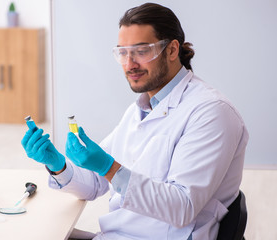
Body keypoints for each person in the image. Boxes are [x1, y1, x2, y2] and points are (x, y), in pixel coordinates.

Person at [21, 3, 249, 240]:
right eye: (122, 53)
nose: (129, 65)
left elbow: (182, 207)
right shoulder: (139, 110)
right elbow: (94, 184)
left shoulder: (211, 113)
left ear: (172, 50)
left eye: (141, 51)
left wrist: (109, 168)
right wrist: (57, 164)